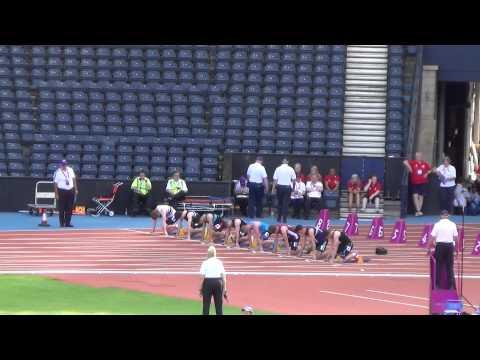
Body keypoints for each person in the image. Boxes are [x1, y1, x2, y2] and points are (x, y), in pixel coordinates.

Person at [428, 210, 458, 290]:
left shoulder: (437, 225)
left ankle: (437, 286)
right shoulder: (453, 224)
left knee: (439, 266)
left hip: (440, 246)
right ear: (448, 216)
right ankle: (451, 286)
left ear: (441, 216)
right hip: (449, 246)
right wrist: (456, 249)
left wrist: (428, 248)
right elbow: (456, 238)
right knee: (449, 267)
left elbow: (432, 237)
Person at [199, 246, 227, 315]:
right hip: (218, 282)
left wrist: (200, 287)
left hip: (208, 282)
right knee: (219, 306)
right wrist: (225, 288)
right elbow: (223, 276)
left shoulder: (205, 263)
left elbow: (202, 277)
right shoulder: (219, 262)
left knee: (206, 305)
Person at [403, 152, 432, 216]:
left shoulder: (425, 163)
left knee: (421, 196)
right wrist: (410, 168)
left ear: (421, 156)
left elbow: (430, 170)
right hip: (415, 182)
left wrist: (427, 174)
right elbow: (405, 162)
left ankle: (419, 211)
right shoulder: (413, 162)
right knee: (415, 196)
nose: (418, 157)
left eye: (419, 156)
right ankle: (418, 210)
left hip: (423, 182)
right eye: (416, 156)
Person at [53, 159, 78, 228]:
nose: (64, 166)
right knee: (62, 208)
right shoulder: (57, 172)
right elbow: (55, 183)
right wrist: (56, 194)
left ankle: (68, 223)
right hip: (61, 191)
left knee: (69, 208)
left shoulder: (70, 170)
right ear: (60, 165)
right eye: (63, 164)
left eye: (65, 164)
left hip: (70, 190)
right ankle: (62, 223)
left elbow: (74, 179)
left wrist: (76, 189)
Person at [272, 158, 296, 223]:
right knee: (285, 204)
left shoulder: (278, 168)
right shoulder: (291, 169)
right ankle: (284, 219)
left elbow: (275, 180)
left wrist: (273, 189)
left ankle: (279, 218)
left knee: (280, 203)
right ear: (288, 162)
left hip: (279, 187)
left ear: (282, 161)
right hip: (287, 188)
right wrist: (293, 189)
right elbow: (294, 181)